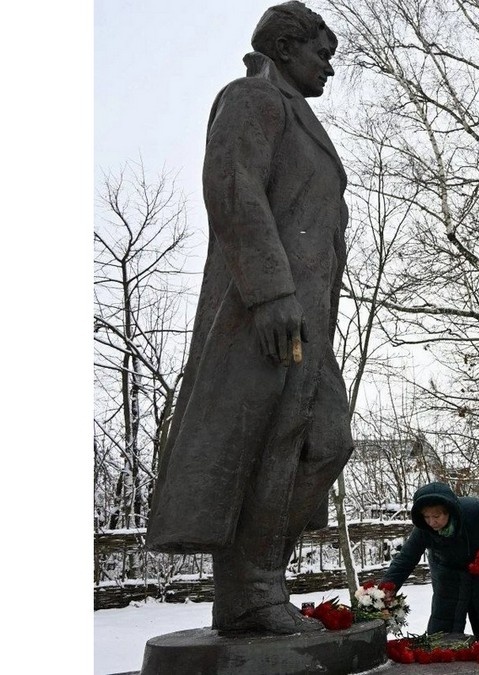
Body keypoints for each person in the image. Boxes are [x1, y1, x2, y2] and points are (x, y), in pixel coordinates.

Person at [144, 1, 355, 634]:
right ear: (286, 48)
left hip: (306, 318)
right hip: (267, 314)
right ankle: (251, 588)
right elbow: (233, 189)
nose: (329, 68)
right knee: (275, 441)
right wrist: (270, 295)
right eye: (323, 54)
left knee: (325, 440)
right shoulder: (252, 99)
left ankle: (257, 579)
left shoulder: (292, 110)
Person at [381, 482, 479, 638]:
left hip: (478, 566)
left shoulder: (477, 511)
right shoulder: (424, 529)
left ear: (449, 511)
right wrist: (388, 586)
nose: (431, 522)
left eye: (436, 516)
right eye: (427, 517)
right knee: (444, 621)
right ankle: (445, 651)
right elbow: (406, 558)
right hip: (445, 569)